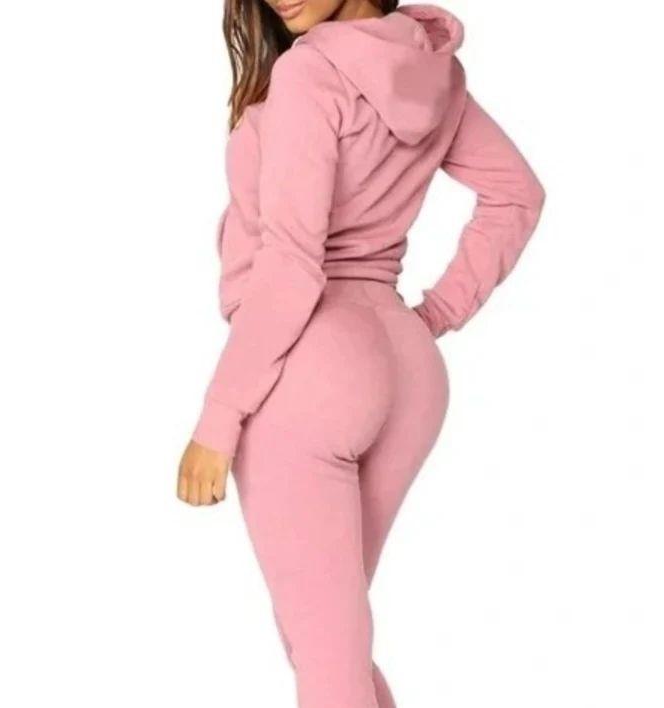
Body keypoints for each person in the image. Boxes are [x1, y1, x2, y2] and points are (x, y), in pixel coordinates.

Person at [177, 1, 545, 705]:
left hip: (310, 365)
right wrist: (432, 317)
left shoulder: (311, 72)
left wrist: (218, 418)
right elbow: (517, 195)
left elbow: (291, 265)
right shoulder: (433, 70)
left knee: (324, 650)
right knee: (331, 643)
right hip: (408, 368)